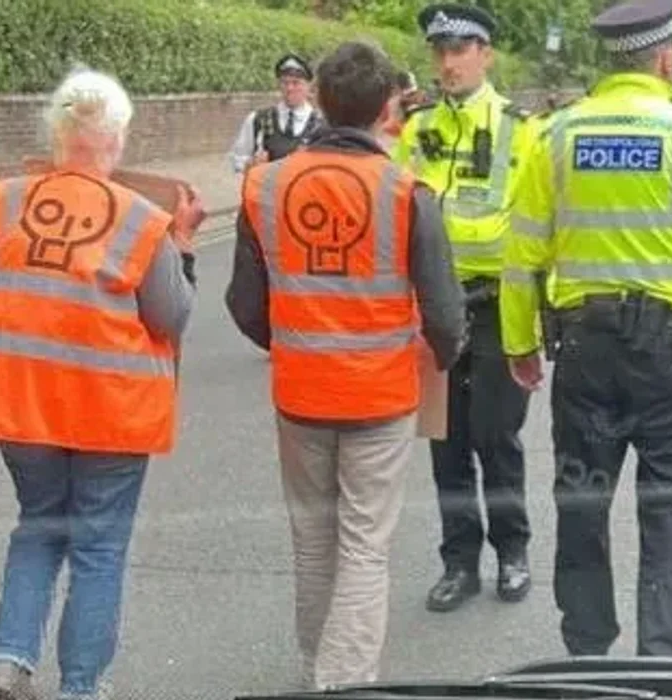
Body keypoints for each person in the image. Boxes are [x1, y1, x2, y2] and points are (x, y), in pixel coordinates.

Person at [499, 0, 672, 658]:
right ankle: (664, 661)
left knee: (582, 501)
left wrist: (518, 343)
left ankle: (587, 653)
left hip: (584, 353)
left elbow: (521, 252)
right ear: (665, 57)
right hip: (671, 356)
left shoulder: (555, 134)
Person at [224, 40, 467, 689]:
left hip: (300, 395)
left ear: (322, 101)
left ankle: (318, 669)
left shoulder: (264, 185)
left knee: (312, 542)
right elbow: (444, 314)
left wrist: (295, 344)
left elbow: (244, 304)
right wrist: (439, 358)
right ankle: (342, 681)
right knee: (364, 546)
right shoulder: (407, 192)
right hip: (381, 397)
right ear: (388, 106)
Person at [0, 67, 205, 700]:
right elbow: (172, 315)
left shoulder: (5, 201)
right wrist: (182, 244)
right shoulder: (142, 219)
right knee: (98, 549)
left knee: (39, 525)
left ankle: (8, 662)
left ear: (57, 133)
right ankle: (79, 688)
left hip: (24, 407)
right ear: (119, 138)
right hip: (110, 414)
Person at [394, 2, 538, 613]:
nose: (448, 63)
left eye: (460, 50)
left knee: (496, 438)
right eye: (440, 51)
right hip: (435, 310)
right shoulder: (416, 128)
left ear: (486, 54)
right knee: (445, 443)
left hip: (498, 306)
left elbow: (537, 226)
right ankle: (459, 561)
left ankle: (512, 550)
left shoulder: (521, 128)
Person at [227, 54, 324, 174]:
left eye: (296, 83)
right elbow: (237, 158)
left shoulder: (322, 125)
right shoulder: (258, 120)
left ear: (309, 86)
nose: (289, 88)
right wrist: (250, 166)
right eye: (284, 83)